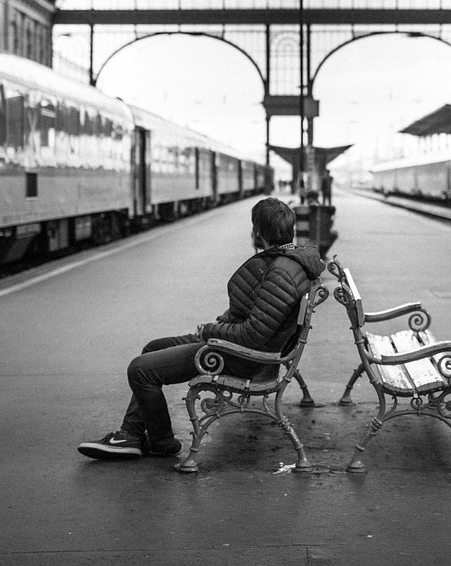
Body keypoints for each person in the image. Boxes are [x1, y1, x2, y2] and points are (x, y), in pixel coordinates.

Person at [78, 197, 325, 460]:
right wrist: (218, 327)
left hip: (241, 358)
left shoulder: (280, 272)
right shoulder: (288, 263)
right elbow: (257, 319)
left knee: (140, 370)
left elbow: (253, 335)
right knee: (153, 348)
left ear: (259, 233)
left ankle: (162, 443)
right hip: (240, 349)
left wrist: (210, 332)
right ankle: (132, 434)